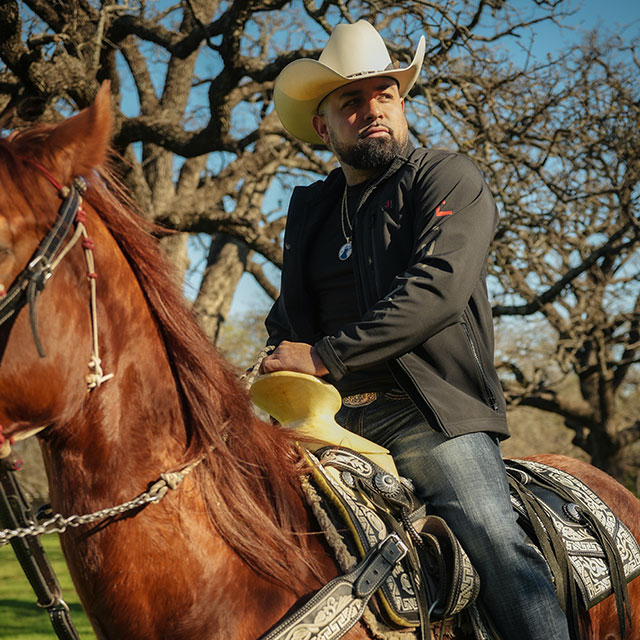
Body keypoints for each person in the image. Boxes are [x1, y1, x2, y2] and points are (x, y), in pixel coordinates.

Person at [260, 20, 571, 640]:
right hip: (327, 415)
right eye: (352, 101)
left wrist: (322, 357)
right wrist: (270, 361)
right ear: (323, 126)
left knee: (496, 542)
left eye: (386, 95)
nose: (372, 110)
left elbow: (437, 291)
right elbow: (286, 320)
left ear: (402, 105)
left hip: (428, 413)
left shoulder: (447, 176)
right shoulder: (313, 212)